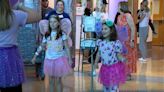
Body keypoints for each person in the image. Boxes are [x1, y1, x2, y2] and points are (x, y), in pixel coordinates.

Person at [0, 0, 41, 92]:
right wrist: (19, 5)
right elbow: (38, 16)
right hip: (10, 56)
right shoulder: (15, 15)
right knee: (13, 87)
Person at [32, 15, 72, 92]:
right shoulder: (47, 35)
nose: (52, 24)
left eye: (54, 22)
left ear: (58, 23)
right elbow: (41, 46)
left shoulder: (62, 34)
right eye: (50, 22)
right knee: (50, 81)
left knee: (59, 81)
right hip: (49, 60)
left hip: (59, 59)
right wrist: (35, 56)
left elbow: (66, 47)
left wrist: (70, 59)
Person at [95, 20, 126, 92]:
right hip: (104, 68)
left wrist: (122, 59)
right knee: (105, 86)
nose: (103, 31)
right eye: (102, 29)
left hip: (114, 69)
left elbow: (118, 55)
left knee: (113, 87)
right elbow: (98, 53)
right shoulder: (100, 42)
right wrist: (96, 63)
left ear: (111, 30)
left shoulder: (115, 43)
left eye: (106, 29)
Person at [116, 1, 137, 80]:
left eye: (118, 6)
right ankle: (121, 72)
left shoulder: (128, 16)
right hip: (120, 40)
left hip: (127, 41)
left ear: (122, 7)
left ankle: (128, 74)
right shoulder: (119, 16)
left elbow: (133, 28)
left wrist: (132, 40)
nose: (117, 8)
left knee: (128, 57)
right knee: (120, 56)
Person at [35, 0, 53, 80]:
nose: (45, 3)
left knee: (45, 55)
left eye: (47, 1)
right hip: (37, 35)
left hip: (47, 36)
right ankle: (38, 72)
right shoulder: (38, 10)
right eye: (44, 1)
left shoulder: (51, 11)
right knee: (37, 53)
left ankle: (43, 73)